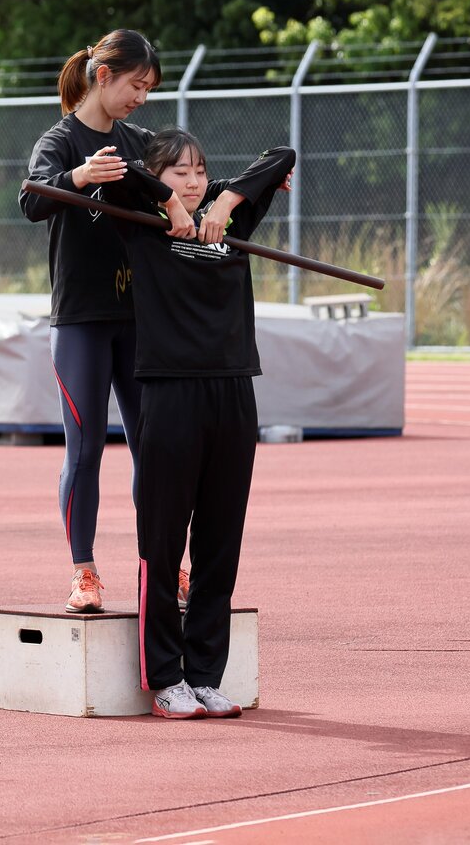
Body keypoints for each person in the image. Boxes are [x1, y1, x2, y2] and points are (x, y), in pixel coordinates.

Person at [98, 129, 296, 719]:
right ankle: (165, 676)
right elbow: (122, 170)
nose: (192, 181)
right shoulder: (141, 219)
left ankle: (206, 675)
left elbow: (280, 156)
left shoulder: (228, 218)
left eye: (199, 171)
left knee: (220, 542)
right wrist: (170, 204)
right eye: (179, 172)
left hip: (233, 388)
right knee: (162, 542)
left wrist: (225, 203)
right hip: (169, 391)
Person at [20, 28, 196, 614]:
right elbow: (31, 200)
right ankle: (84, 571)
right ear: (103, 76)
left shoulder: (140, 142)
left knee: (154, 446)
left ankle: (164, 566)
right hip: (81, 321)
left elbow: (188, 181)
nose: (141, 98)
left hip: (140, 318)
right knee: (86, 447)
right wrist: (78, 177)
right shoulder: (61, 140)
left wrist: (231, 195)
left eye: (149, 90)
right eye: (135, 86)